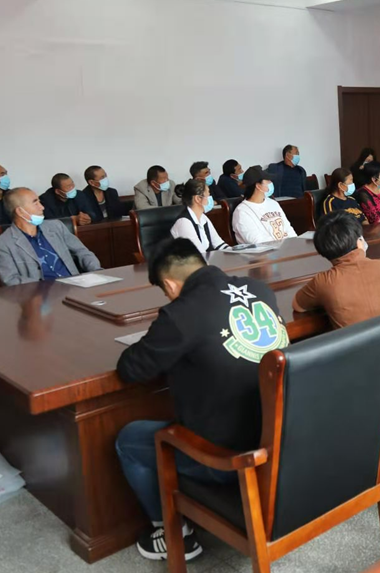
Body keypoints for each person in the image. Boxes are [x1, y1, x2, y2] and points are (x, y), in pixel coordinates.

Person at [115, 238, 289, 561]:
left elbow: (130, 368)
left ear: (169, 284)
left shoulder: (181, 314)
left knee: (129, 440)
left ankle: (172, 532)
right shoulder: (259, 289)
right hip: (279, 440)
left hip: (229, 457)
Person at [293, 211, 380, 380]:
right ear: (360, 241)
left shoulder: (323, 282)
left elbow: (298, 305)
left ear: (323, 251)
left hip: (365, 387)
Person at [0, 188, 102, 286]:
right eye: (35, 203)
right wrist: (44, 289)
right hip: (39, 295)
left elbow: (82, 252)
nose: (42, 207)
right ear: (20, 211)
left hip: (75, 287)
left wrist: (97, 272)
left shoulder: (56, 226)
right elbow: (10, 279)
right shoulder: (3, 243)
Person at [232, 166, 297, 245]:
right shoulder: (242, 212)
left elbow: (288, 228)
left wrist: (295, 244)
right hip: (264, 252)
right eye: (268, 181)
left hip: (286, 248)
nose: (271, 183)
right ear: (258, 186)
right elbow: (257, 241)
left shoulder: (273, 203)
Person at [170, 178, 231, 256]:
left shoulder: (203, 218)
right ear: (198, 199)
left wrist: (235, 252)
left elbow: (219, 244)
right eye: (208, 194)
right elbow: (198, 255)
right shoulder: (184, 223)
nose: (211, 198)